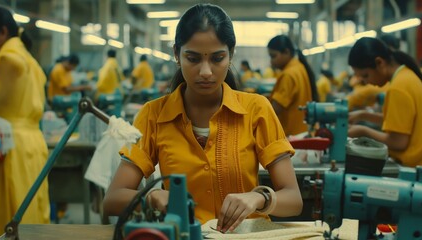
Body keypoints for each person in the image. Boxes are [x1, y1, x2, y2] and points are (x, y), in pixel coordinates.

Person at [104, 3, 302, 233]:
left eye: (217, 58)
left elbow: (294, 200)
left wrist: (259, 199)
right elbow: (113, 199)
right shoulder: (153, 115)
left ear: (231, 55)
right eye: (193, 58)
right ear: (176, 54)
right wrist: (154, 196)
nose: (206, 71)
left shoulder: (256, 110)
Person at [347, 37, 422, 239]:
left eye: (365, 75)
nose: (366, 82)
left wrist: (362, 130)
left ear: (379, 63)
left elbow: (399, 140)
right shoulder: (407, 76)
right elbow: (401, 121)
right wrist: (363, 115)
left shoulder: (398, 87)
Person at [0, 7, 50, 238]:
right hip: (33, 143)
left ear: (2, 32)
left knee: (11, 216)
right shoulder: (30, 60)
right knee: (30, 212)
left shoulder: (9, 58)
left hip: (10, 145)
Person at [267, 35, 318, 136]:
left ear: (286, 52)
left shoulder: (288, 74)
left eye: (273, 56)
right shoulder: (299, 67)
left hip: (291, 136)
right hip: (302, 131)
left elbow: (275, 109)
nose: (271, 61)